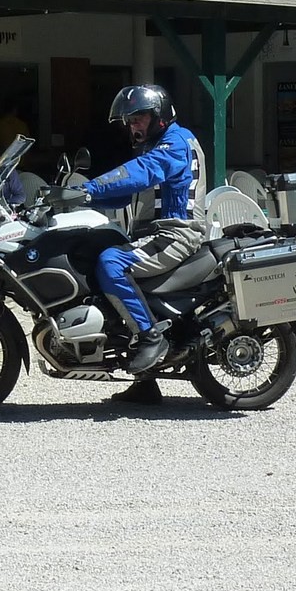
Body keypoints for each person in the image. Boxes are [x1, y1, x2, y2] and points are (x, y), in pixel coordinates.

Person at [80, 84, 206, 405]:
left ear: (159, 116)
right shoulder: (157, 145)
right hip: (155, 232)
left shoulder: (175, 143)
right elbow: (128, 189)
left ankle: (153, 337)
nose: (133, 125)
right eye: (130, 120)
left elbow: (142, 173)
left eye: (139, 118)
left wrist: (90, 189)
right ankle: (145, 383)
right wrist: (73, 199)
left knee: (111, 263)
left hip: (175, 234)